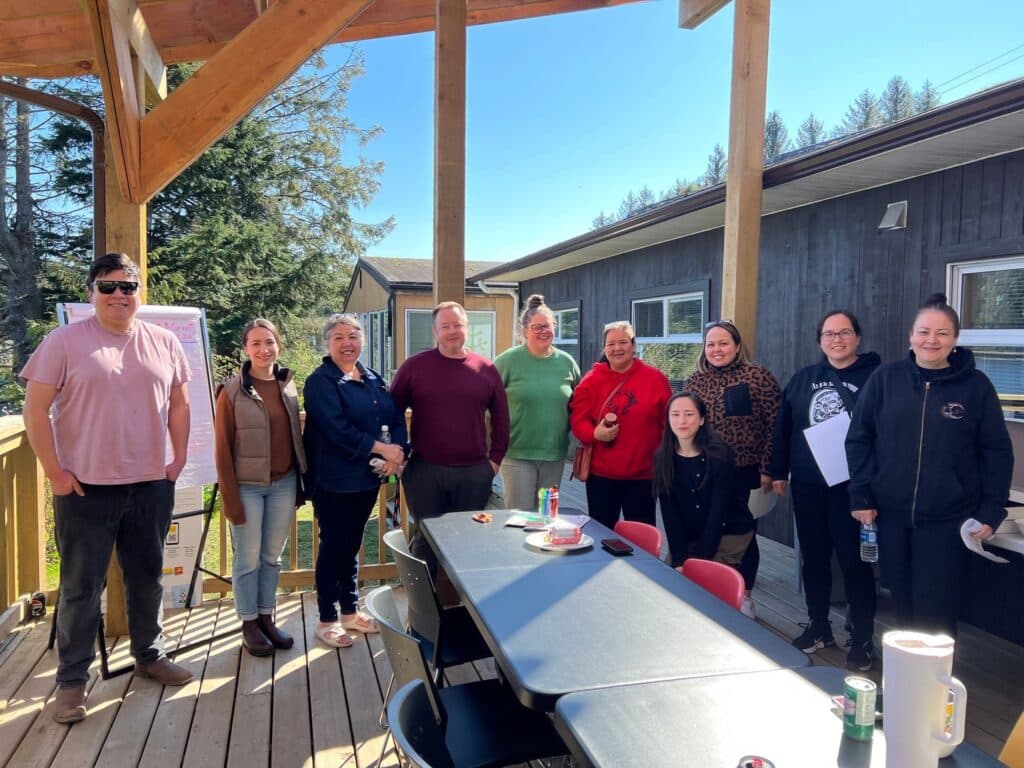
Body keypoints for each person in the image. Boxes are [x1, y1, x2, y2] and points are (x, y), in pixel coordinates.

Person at [21, 253, 193, 724]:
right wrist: (55, 472)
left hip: (150, 484)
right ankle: (72, 682)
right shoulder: (64, 341)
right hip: (85, 489)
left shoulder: (162, 342)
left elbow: (179, 404)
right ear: (92, 291)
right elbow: (35, 410)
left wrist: (177, 459)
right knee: (80, 588)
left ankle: (149, 655)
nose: (119, 294)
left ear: (140, 291)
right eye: (108, 285)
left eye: (128, 286)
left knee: (147, 577)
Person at [846, 294, 1012, 637]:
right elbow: (859, 438)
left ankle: (935, 685)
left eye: (942, 333)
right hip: (891, 517)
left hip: (947, 521)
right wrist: (861, 495)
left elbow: (997, 452)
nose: (931, 340)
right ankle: (910, 680)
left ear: (955, 339)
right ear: (910, 335)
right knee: (903, 604)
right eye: (924, 332)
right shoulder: (885, 379)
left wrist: (992, 510)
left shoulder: (976, 387)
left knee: (936, 610)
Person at [768, 310, 880, 670]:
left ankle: (861, 638)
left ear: (857, 338)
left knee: (855, 565)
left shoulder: (878, 378)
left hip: (854, 491)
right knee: (814, 560)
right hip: (809, 486)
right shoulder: (803, 379)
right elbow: (784, 428)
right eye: (829, 334)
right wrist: (777, 471)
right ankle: (818, 626)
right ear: (820, 341)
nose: (837, 340)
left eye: (844, 333)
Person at [303, 314, 408, 648]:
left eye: (353, 335)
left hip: (365, 477)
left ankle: (350, 611)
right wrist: (382, 449)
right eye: (338, 337)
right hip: (333, 478)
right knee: (334, 546)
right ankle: (326, 619)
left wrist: (398, 454)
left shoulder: (373, 377)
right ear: (327, 344)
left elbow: (393, 417)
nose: (347, 343)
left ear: (362, 339)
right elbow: (337, 430)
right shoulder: (321, 381)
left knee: (351, 545)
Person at [390, 301, 510, 569]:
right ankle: (425, 609)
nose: (452, 331)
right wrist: (401, 453)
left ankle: (463, 608)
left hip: (474, 473)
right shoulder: (414, 367)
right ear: (435, 331)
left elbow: (502, 419)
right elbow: (391, 411)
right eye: (445, 326)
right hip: (424, 472)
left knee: (468, 544)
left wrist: (494, 462)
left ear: (467, 327)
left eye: (458, 324)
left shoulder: (486, 369)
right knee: (426, 543)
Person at [214, 319, 307, 657]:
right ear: (245, 349)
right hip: (247, 488)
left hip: (283, 484)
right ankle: (248, 623)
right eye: (256, 343)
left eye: (269, 342)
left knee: (271, 557)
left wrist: (300, 483)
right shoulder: (231, 391)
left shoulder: (288, 386)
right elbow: (222, 449)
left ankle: (267, 617)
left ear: (278, 345)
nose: (263, 349)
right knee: (247, 559)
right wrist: (231, 499)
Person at [687, 320, 780, 618]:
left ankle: (745, 595)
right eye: (711, 344)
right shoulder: (695, 382)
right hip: (704, 472)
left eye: (723, 343)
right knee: (708, 528)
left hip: (745, 471)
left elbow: (775, 426)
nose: (717, 349)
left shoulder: (758, 377)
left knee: (743, 533)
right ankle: (711, 586)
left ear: (737, 346)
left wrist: (769, 467)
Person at [569, 321, 671, 529]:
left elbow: (667, 425)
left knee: (642, 536)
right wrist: (595, 433)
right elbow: (578, 422)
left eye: (623, 342)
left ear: (633, 345)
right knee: (601, 534)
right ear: (604, 348)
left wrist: (665, 462)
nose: (617, 348)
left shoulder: (655, 379)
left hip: (643, 475)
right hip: (601, 477)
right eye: (611, 344)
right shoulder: (591, 381)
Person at [493, 295, 581, 511]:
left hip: (554, 454)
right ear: (525, 331)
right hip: (517, 454)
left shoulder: (566, 362)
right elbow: (485, 400)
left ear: (555, 327)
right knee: (519, 517)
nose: (544, 331)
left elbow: (581, 401)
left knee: (546, 517)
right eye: (537, 327)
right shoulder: (507, 361)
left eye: (548, 326)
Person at [653, 392, 753, 568]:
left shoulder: (720, 455)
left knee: (700, 580)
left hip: (727, 532)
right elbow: (670, 515)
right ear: (668, 420)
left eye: (689, 414)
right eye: (675, 414)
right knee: (671, 577)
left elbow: (718, 513)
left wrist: (698, 561)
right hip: (692, 534)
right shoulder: (662, 457)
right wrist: (679, 559)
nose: (682, 421)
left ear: (701, 420)